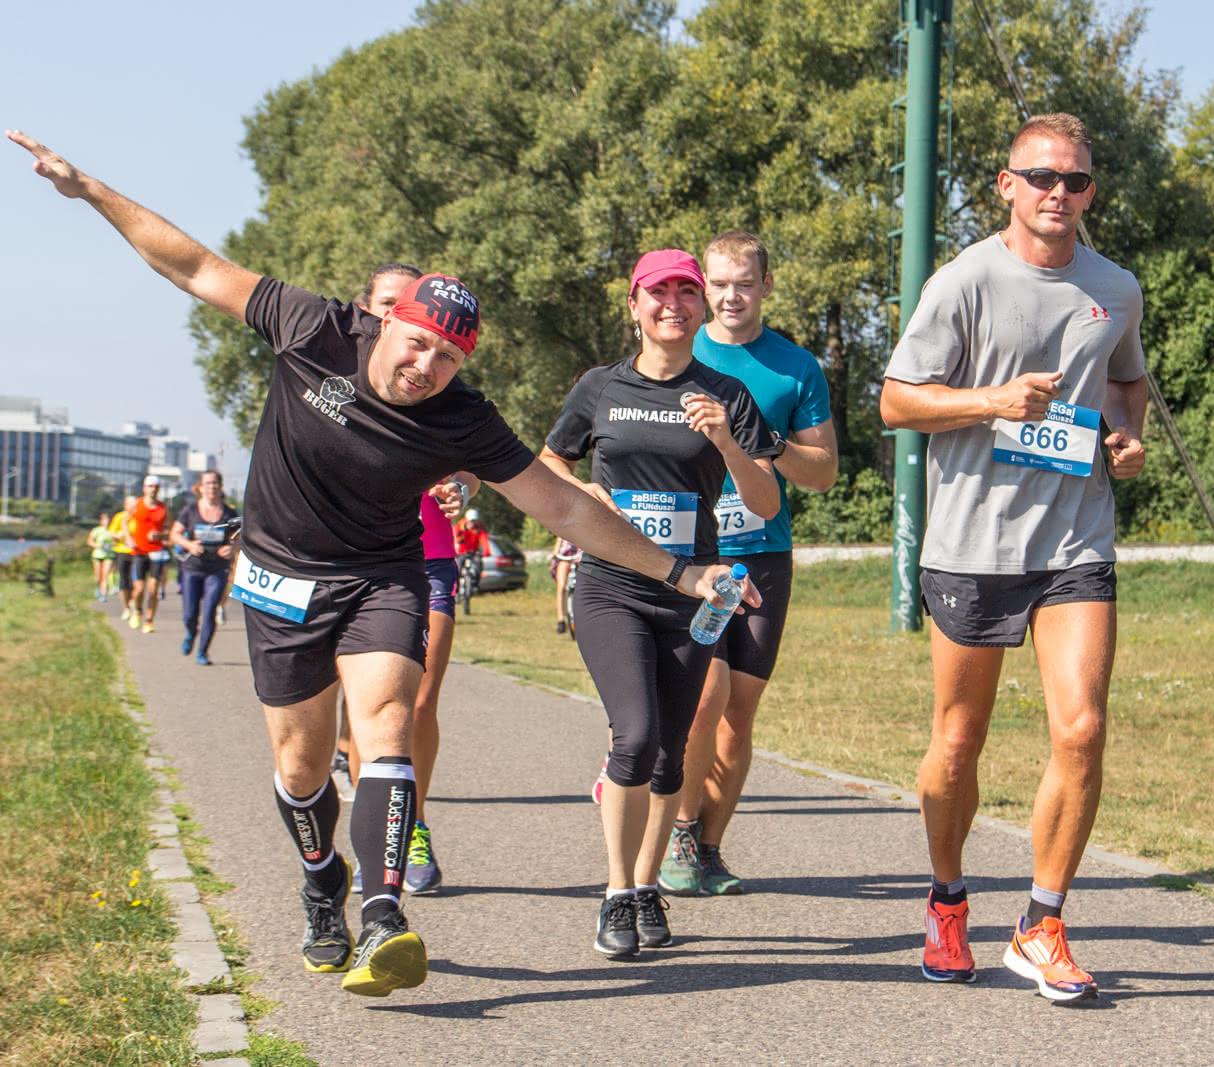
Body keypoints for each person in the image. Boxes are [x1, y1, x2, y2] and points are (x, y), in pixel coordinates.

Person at [11, 129, 752, 998]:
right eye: (416, 343)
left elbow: (564, 505)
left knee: (388, 724)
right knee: (298, 767)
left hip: (382, 575)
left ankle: (384, 913)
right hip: (282, 571)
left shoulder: (462, 415)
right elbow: (194, 266)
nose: (424, 366)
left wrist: (676, 571)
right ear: (385, 320)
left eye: (447, 357)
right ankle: (323, 878)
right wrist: (91, 189)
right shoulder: (312, 327)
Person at [880, 113, 1147, 1002]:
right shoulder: (963, 280)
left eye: (1073, 181)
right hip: (972, 542)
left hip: (1075, 540)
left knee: (1082, 727)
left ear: (1090, 193)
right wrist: (994, 400)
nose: (1056, 194)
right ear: (1007, 184)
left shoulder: (1116, 287)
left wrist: (1127, 435)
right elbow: (894, 401)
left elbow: (1126, 379)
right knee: (959, 741)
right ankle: (948, 897)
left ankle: (1041, 922)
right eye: (1040, 178)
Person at [540, 248, 780, 958]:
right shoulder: (598, 387)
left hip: (692, 594)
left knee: (674, 752)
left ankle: (647, 884)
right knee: (636, 735)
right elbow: (550, 462)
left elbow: (764, 501)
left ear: (701, 305)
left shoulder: (726, 391)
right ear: (634, 304)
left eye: (686, 292)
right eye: (658, 292)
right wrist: (584, 494)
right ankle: (616, 891)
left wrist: (727, 442)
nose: (672, 304)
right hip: (611, 586)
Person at [659, 231, 837, 897]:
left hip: (763, 557)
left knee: (738, 717)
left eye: (744, 282)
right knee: (703, 703)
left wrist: (770, 443)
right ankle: (677, 825)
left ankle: (709, 847)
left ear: (765, 286)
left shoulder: (796, 368)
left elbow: (822, 473)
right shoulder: (679, 353)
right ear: (704, 287)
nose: (731, 295)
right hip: (694, 560)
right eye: (720, 283)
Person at [336, 262, 471, 897]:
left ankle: (409, 824)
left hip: (429, 559)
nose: (401, 318)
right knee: (367, 710)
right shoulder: (332, 377)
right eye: (388, 305)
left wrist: (460, 488)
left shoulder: (439, 382)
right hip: (348, 563)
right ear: (370, 310)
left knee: (417, 701)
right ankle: (374, 837)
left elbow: (480, 465)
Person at [169, 470, 238, 665]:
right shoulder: (190, 510)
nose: (212, 487)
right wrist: (190, 545)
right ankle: (191, 633)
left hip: (217, 569)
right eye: (208, 483)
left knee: (209, 611)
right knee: (190, 614)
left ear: (220, 486)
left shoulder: (229, 513)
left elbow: (241, 537)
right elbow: (175, 534)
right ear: (200, 487)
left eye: (215, 483)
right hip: (192, 568)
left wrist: (233, 548)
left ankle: (203, 651)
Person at [127, 475, 169, 633]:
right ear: (144, 488)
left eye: (156, 487)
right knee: (139, 588)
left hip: (157, 552)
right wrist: (129, 539)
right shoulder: (136, 505)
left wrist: (159, 536)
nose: (153, 489)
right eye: (150, 486)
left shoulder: (163, 508)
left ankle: (149, 620)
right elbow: (125, 521)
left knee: (153, 589)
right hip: (139, 551)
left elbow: (170, 530)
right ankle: (137, 610)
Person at [109, 495, 138, 621]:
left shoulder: (139, 517)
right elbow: (111, 533)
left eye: (135, 505)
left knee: (135, 581)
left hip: (137, 552)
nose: (133, 507)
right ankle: (125, 607)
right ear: (126, 506)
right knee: (123, 581)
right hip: (122, 552)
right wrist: (118, 536)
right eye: (131, 505)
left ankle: (133, 602)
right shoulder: (120, 517)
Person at [551, 537, 581, 635]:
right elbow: (559, 542)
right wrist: (555, 555)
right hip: (564, 558)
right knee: (561, 587)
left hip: (578, 558)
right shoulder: (564, 531)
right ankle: (561, 620)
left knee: (581, 587)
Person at [87, 512, 116, 601]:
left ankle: (104, 594)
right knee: (98, 576)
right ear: (101, 521)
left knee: (105, 575)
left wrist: (113, 545)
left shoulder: (113, 530)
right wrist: (97, 545)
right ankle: (98, 588)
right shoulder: (97, 530)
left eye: (108, 519)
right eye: (104, 519)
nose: (106, 521)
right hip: (98, 555)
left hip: (109, 555)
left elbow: (118, 541)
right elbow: (89, 541)